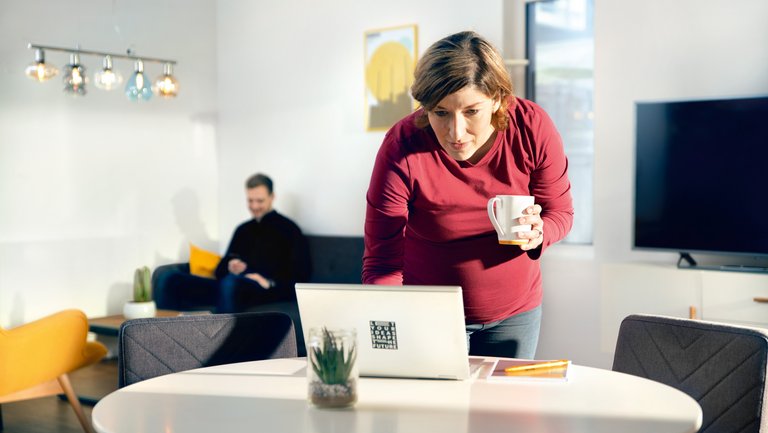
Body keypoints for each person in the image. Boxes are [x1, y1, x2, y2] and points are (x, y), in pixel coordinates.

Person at [362, 31, 574, 359]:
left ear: (498, 99)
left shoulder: (531, 127)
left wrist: (541, 231)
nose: (456, 133)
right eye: (440, 113)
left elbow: (560, 211)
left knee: (507, 411)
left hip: (515, 313)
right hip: (430, 315)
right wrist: (386, 330)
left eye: (471, 111)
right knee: (436, 411)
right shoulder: (402, 145)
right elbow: (382, 259)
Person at [154, 173, 310, 313]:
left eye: (260, 201)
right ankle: (163, 335)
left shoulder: (290, 230)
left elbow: (301, 277)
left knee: (230, 284)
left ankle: (218, 337)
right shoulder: (243, 230)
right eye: (250, 200)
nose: (254, 206)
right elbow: (219, 271)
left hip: (266, 291)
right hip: (230, 286)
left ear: (272, 197)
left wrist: (268, 282)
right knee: (169, 278)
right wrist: (229, 265)